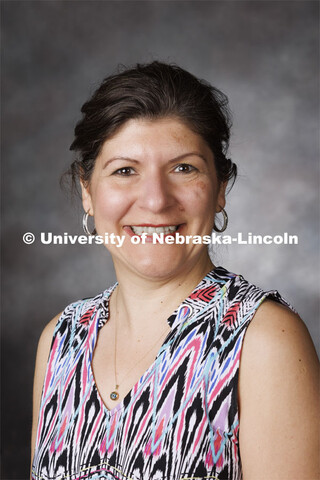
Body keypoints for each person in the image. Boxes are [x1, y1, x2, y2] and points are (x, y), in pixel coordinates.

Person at [31, 62, 319, 480]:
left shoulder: (263, 340)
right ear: (87, 191)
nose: (155, 200)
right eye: (125, 171)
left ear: (220, 188)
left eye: (184, 168)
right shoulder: (60, 341)